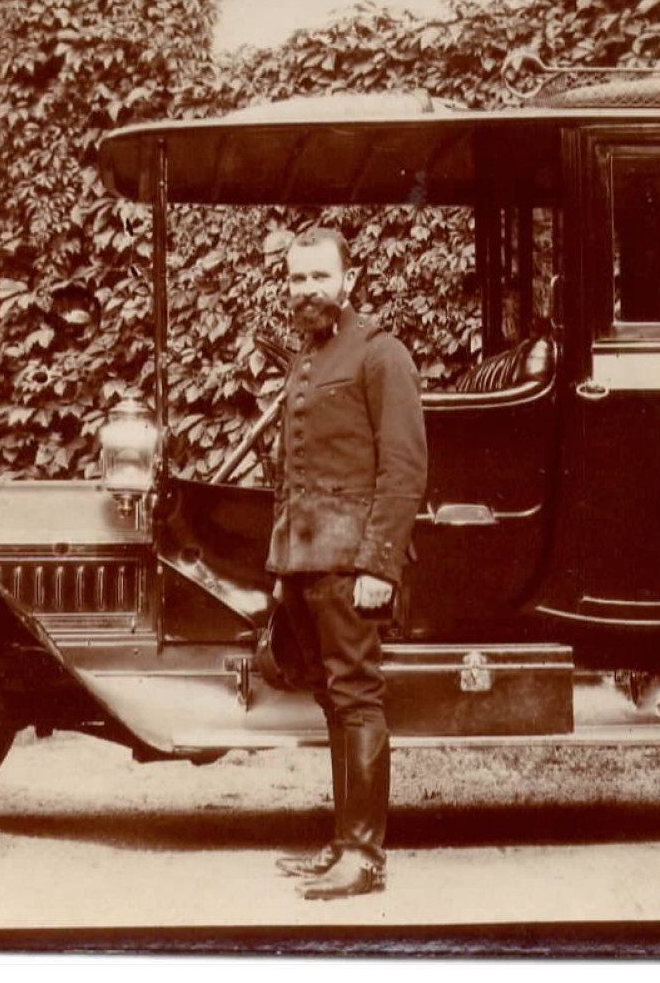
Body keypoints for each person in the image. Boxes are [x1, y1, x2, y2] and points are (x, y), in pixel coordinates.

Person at [264, 226, 428, 900]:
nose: (307, 290)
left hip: (351, 560)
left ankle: (364, 857)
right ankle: (341, 843)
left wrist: (377, 565)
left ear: (347, 280)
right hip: (306, 560)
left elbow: (405, 466)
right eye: (297, 279)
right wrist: (281, 567)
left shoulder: (379, 352)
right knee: (335, 699)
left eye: (319, 278)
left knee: (357, 698)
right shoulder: (307, 356)